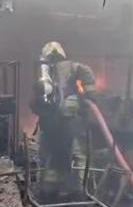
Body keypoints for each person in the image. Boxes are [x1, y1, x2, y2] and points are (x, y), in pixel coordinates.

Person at [31, 41, 97, 194]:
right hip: (58, 127)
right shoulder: (47, 76)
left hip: (67, 125)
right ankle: (58, 191)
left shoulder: (77, 70)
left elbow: (91, 97)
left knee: (73, 157)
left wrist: (76, 102)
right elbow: (35, 104)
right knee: (61, 158)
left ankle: (76, 192)